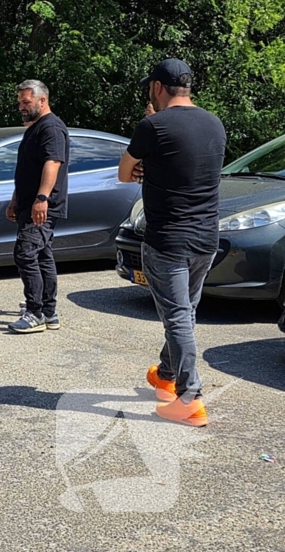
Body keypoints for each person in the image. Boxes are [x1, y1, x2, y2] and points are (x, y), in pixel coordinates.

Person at [118, 58, 225, 427]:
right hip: (206, 238)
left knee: (178, 315)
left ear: (158, 88)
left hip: (168, 240)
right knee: (186, 311)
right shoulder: (214, 124)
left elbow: (124, 172)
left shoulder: (152, 125)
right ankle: (166, 373)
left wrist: (148, 142)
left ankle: (190, 397)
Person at [6, 79, 69, 334]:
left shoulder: (51, 128)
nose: (21, 106)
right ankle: (48, 311)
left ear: (42, 100)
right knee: (42, 255)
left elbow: (52, 163)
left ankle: (35, 312)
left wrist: (42, 198)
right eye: (20, 102)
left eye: (26, 102)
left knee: (25, 252)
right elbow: (27, 169)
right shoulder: (35, 128)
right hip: (28, 204)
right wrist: (16, 199)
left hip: (41, 206)